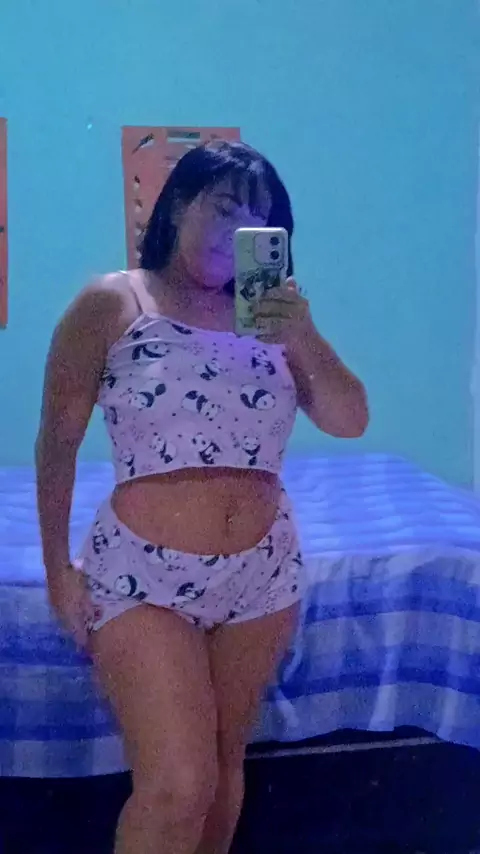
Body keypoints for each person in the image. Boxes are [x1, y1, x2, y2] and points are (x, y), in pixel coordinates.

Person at [35, 140, 369, 854]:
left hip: (262, 576)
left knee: (221, 775)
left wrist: (303, 334)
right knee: (177, 787)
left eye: (259, 220)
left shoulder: (273, 322)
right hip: (143, 576)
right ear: (179, 205)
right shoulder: (114, 302)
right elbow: (57, 441)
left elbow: (350, 420)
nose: (238, 230)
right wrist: (58, 569)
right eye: (224, 208)